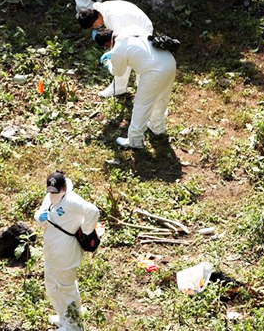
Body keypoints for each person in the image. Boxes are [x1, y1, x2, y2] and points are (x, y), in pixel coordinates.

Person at [34, 171, 100, 331]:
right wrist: (39, 217)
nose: (52, 194)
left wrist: (85, 230)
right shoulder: (50, 195)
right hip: (51, 251)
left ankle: (74, 325)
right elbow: (42, 212)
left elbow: (93, 212)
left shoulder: (72, 200)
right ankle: (64, 317)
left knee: (66, 288)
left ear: (63, 187)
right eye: (50, 191)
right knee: (51, 285)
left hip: (65, 253)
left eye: (55, 191)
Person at [99, 29, 176, 149]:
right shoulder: (131, 32)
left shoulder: (118, 49)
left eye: (106, 47)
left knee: (142, 105)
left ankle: (135, 141)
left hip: (154, 72)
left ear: (107, 44)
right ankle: (157, 127)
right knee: (162, 98)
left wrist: (108, 64)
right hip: (169, 63)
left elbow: (118, 72)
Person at [78, 0, 153, 97]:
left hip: (142, 29)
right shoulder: (103, 11)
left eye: (94, 25)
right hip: (132, 27)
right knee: (125, 56)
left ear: (94, 20)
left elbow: (120, 42)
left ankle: (125, 87)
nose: (96, 27)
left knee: (128, 57)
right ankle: (120, 86)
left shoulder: (112, 17)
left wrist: (113, 54)